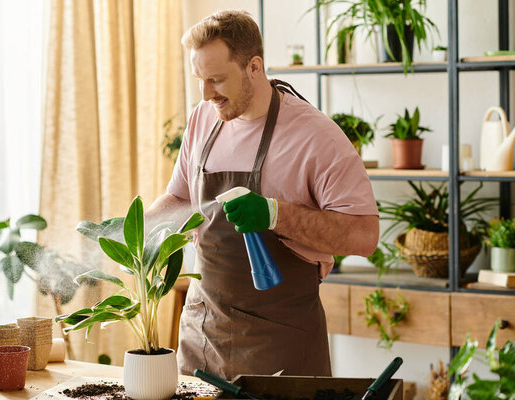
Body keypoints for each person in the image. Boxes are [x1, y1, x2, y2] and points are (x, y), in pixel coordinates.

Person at [147, 10, 379, 379]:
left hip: (279, 346)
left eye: (217, 80)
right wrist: (135, 231)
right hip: (202, 337)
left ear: (254, 67)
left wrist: (276, 214)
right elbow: (179, 200)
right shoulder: (203, 119)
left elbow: (364, 237)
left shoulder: (316, 136)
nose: (206, 95)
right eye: (200, 80)